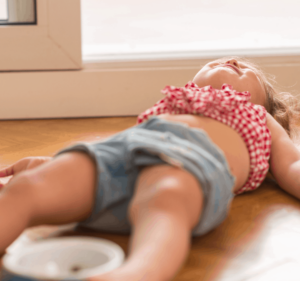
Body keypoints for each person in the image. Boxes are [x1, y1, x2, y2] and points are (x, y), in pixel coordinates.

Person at [1, 57, 300, 281]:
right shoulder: (172, 103)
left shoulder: (259, 116)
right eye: (223, 59)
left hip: (189, 161)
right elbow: (115, 150)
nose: (234, 61)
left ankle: (136, 273)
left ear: (265, 103)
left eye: (249, 71)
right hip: (127, 153)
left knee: (166, 197)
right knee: (29, 186)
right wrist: (53, 163)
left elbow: (292, 165)